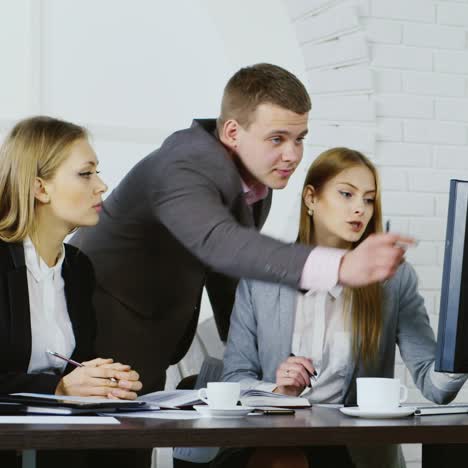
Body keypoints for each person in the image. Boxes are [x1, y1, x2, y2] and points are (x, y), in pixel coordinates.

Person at [70, 63, 411, 394]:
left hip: (150, 335)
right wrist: (340, 265)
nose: (292, 155)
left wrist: (259, 364)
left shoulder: (257, 180)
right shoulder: (183, 164)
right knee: (94, 449)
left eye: (299, 138)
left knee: (132, 447)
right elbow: (221, 243)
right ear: (233, 132)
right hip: (95, 326)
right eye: (277, 139)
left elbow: (228, 275)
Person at [217, 147, 468, 468]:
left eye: (368, 199)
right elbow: (236, 377)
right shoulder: (262, 277)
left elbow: (434, 387)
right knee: (283, 459)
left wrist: (460, 348)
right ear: (311, 198)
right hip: (274, 437)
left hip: (353, 448)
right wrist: (277, 390)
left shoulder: (392, 279)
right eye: (347, 194)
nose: (359, 209)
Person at [0, 116, 143, 467]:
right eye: (86, 173)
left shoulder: (78, 267)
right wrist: (59, 388)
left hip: (54, 445)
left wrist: (101, 380)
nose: (102, 185)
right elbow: (56, 384)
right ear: (40, 188)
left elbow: (75, 364)